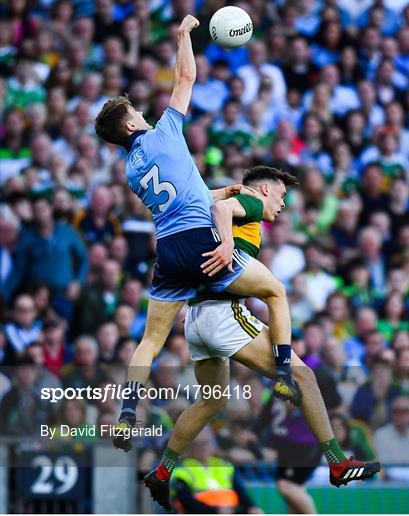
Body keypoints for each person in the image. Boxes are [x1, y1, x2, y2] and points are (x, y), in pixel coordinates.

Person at [94, 15, 301, 448]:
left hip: (168, 248)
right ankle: (284, 372)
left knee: (150, 340)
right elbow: (187, 75)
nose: (144, 114)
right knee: (274, 291)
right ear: (131, 125)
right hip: (201, 240)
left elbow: (183, 193)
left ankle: (128, 412)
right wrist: (184, 35)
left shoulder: (132, 169)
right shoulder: (164, 132)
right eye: (137, 112)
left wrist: (217, 189)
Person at [144, 167, 381, 510]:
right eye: (282, 195)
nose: (283, 205)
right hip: (224, 313)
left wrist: (222, 197)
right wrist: (227, 240)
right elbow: (223, 209)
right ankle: (337, 461)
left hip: (195, 318)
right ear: (266, 189)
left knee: (213, 401)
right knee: (304, 375)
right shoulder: (252, 202)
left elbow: (200, 202)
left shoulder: (233, 205)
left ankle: (163, 471)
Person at [170, 427, 263, 514]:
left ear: (212, 444)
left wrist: (251, 507)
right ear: (189, 447)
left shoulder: (225, 467)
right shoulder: (182, 472)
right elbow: (185, 501)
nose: (203, 447)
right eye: (197, 444)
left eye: (206, 442)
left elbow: (240, 492)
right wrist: (215, 510)